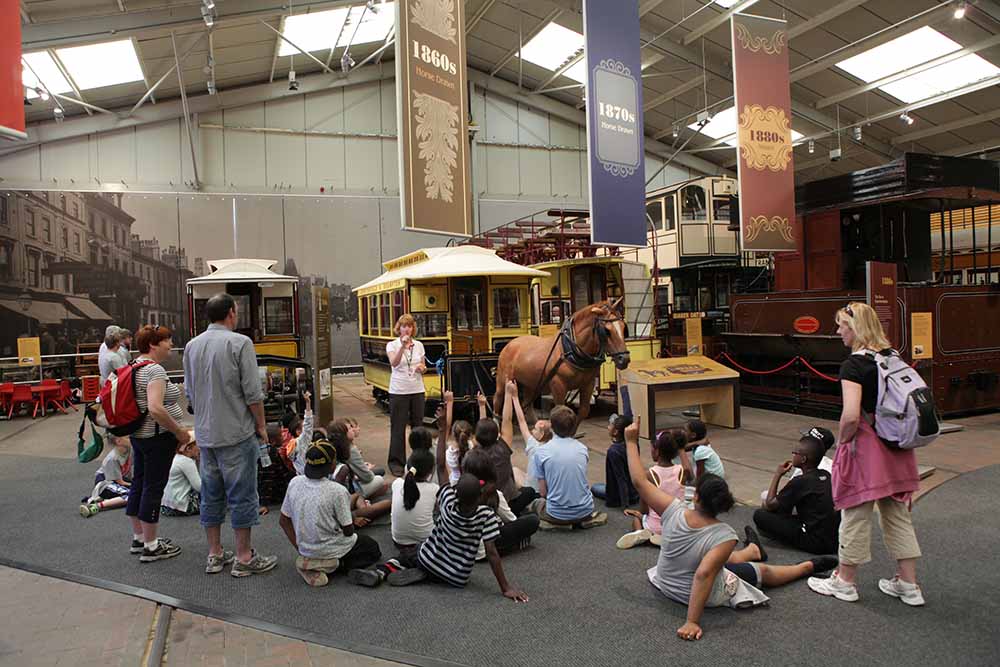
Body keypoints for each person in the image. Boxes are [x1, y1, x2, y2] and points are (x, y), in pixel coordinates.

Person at [625, 416, 837, 641]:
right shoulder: (724, 534)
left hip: (665, 583)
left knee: (717, 559)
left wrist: (631, 441)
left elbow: (640, 482)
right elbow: (704, 574)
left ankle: (756, 552)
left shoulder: (673, 509)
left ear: (695, 496)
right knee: (760, 572)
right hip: (697, 595)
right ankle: (805, 567)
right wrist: (692, 621)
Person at [808, 302, 924, 606]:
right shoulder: (892, 357)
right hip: (898, 448)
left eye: (841, 325)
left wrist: (843, 443)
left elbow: (850, 415)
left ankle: (845, 581)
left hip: (867, 449)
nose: (838, 331)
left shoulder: (854, 365)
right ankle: (909, 585)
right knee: (897, 516)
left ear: (855, 328)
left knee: (855, 514)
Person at [183, 293, 277, 577]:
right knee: (243, 495)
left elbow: (189, 393)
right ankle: (244, 557)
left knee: (211, 495)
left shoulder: (191, 346)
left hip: (206, 435)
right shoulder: (240, 343)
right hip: (237, 434)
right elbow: (252, 392)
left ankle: (214, 554)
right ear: (231, 314)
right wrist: (261, 426)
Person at [127, 325, 192, 563]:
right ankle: (152, 546)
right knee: (154, 488)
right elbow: (155, 407)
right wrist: (179, 432)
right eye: (167, 340)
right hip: (157, 437)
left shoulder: (133, 366)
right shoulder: (154, 370)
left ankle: (139, 538)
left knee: (139, 483)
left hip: (138, 435)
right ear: (154, 344)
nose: (171, 345)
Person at [279, 440, 383, 587]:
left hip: (305, 549)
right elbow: (348, 531)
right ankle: (334, 565)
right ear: (332, 465)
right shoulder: (337, 491)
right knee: (372, 548)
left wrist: (300, 547)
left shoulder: (294, 482)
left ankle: (310, 561)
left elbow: (283, 521)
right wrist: (353, 518)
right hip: (332, 548)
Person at [753, 429, 839, 555]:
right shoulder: (826, 474)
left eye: (795, 453)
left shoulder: (801, 481)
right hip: (834, 540)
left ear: (803, 459)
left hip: (816, 542)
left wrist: (778, 474)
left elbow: (771, 504)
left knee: (760, 515)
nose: (793, 455)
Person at [527, 405, 607, 530]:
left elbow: (543, 492)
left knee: (535, 503)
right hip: (586, 510)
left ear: (552, 427)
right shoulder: (582, 449)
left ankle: (556, 523)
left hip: (556, 513)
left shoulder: (541, 452)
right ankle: (583, 520)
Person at [616, 428, 689, 549]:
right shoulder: (682, 471)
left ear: (657, 451)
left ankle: (641, 532)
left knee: (637, 518)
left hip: (656, 525)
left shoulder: (649, 475)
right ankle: (667, 537)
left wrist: (639, 513)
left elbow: (644, 509)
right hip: (678, 525)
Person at [463, 448, 539, 557]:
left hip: (465, 547)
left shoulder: (457, 491)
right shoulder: (493, 493)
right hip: (489, 545)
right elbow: (511, 519)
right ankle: (514, 543)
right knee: (532, 519)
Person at [480, 381, 538, 516]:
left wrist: (482, 407)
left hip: (483, 504)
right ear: (497, 435)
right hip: (507, 502)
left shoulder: (474, 453)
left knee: (516, 473)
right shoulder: (502, 449)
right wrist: (508, 394)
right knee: (529, 492)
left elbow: (482, 429)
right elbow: (507, 420)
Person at [386, 314, 426, 476]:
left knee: (418, 426)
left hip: (417, 389)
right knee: (398, 427)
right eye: (403, 326)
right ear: (399, 328)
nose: (407, 329)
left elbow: (423, 364)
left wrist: (422, 368)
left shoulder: (419, 345)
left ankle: (419, 460)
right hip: (399, 390)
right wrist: (402, 346)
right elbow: (394, 363)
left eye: (409, 326)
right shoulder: (392, 345)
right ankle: (396, 463)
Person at [592, 377, 639, 507]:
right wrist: (624, 388)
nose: (608, 427)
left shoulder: (614, 451)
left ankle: (621, 499)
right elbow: (629, 415)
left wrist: (625, 505)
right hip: (636, 491)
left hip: (620, 496)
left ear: (616, 432)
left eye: (610, 426)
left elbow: (621, 478)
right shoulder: (633, 440)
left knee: (594, 488)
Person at [390, 447, 438, 556]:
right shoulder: (434, 489)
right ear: (431, 471)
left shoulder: (397, 483)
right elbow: (440, 510)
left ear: (408, 467)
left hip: (399, 542)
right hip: (427, 542)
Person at [508, 386, 551, 493]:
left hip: (534, 490)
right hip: (548, 487)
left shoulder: (534, 446)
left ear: (542, 434)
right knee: (516, 470)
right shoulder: (553, 447)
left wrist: (515, 397)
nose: (532, 431)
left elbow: (522, 422)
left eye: (535, 429)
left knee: (512, 472)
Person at [80, 435, 132, 517]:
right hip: (106, 482)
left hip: (119, 480)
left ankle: (107, 499)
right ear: (118, 441)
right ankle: (96, 506)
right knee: (133, 494)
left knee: (140, 492)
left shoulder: (129, 451)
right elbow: (120, 481)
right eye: (128, 437)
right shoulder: (112, 458)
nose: (131, 438)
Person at [342, 416, 390, 499]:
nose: (353, 430)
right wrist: (368, 469)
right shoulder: (351, 449)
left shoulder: (341, 446)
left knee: (380, 472)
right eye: (350, 428)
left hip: (350, 481)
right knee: (380, 480)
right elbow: (367, 477)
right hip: (352, 487)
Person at [161, 438, 202, 517]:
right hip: (182, 507)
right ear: (188, 448)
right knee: (214, 500)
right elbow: (199, 487)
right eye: (198, 446)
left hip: (166, 506)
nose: (200, 449)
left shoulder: (175, 457)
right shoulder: (186, 461)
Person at [283, 391, 314, 475]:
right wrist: (308, 403)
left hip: (299, 476)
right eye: (302, 426)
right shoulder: (302, 441)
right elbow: (308, 424)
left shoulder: (291, 445)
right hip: (310, 474)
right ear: (298, 432)